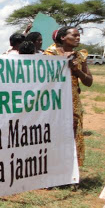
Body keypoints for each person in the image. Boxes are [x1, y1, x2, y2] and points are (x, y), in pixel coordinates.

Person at [44, 26, 92, 167]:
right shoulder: (49, 55)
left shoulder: (80, 56)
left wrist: (77, 70)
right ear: (63, 37)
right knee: (54, 133)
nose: (78, 38)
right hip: (54, 101)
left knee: (72, 133)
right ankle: (52, 169)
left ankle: (70, 170)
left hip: (73, 102)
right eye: (74, 35)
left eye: (79, 35)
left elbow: (88, 81)